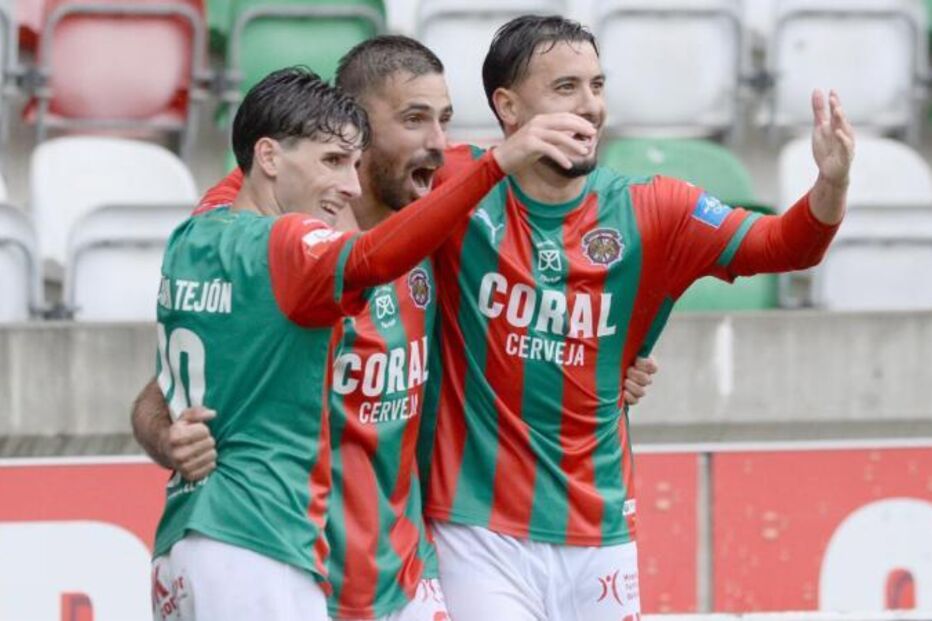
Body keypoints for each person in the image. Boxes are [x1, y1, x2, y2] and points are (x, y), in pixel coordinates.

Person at [135, 37, 658, 621]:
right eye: (414, 120)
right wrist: (165, 434)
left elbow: (534, 311)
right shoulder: (268, 236)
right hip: (289, 559)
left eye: (445, 120)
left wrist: (610, 361)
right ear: (356, 130)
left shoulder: (445, 227)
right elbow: (171, 384)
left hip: (403, 574)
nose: (439, 143)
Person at [413, 15, 853, 621]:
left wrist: (830, 185)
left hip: (602, 535)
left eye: (597, 86)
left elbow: (786, 247)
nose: (590, 106)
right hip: (476, 530)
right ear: (507, 106)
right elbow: (327, 194)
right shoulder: (453, 185)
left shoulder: (656, 210)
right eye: (565, 88)